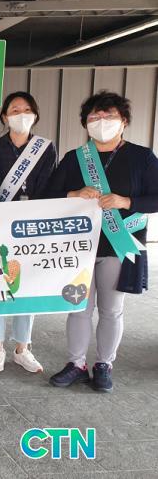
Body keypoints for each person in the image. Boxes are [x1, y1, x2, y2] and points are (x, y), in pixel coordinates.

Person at [46, 91, 158, 393]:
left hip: (118, 246)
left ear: (124, 121)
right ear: (86, 123)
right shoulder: (74, 158)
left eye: (109, 116)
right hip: (78, 247)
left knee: (111, 309)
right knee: (78, 308)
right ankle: (76, 364)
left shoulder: (142, 158)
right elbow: (47, 196)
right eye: (95, 116)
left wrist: (126, 201)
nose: (102, 121)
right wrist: (73, 194)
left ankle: (104, 364)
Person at [0, 92, 57, 374]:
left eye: (27, 109)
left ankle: (22, 348)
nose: (21, 114)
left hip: (30, 227)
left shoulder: (45, 148)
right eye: (14, 110)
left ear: (35, 115)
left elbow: (48, 186)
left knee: (28, 285)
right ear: (4, 116)